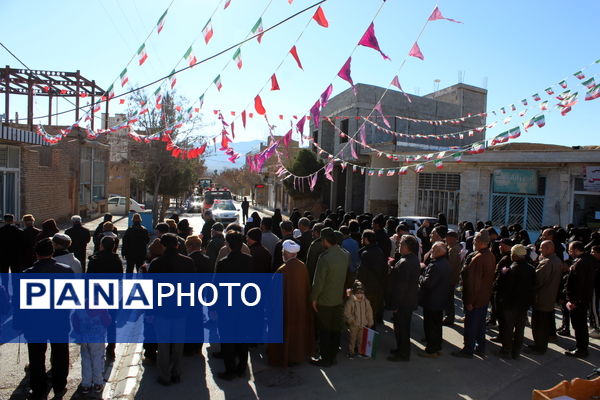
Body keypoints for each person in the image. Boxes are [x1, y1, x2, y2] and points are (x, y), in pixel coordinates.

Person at [20, 238, 73, 400]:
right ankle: (59, 383)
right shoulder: (66, 271)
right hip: (59, 319)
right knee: (60, 352)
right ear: (52, 252)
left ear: (36, 253)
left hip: (35, 321)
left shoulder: (27, 274)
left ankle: (38, 387)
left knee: (36, 356)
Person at [148, 233, 195, 385]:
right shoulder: (188, 262)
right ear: (177, 245)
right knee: (178, 344)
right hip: (181, 309)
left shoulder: (156, 263)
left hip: (162, 310)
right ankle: (176, 371)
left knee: (163, 344)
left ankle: (164, 374)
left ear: (162, 246)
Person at [267, 240, 314, 367]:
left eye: (283, 252)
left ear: (287, 253)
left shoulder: (282, 270)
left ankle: (285, 356)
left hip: (284, 310)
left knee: (285, 334)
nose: (282, 253)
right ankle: (297, 356)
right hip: (300, 308)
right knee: (297, 334)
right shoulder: (302, 266)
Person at [215, 231, 254, 380]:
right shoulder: (249, 260)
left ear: (228, 245)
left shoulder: (223, 263)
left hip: (227, 306)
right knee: (243, 338)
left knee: (227, 339)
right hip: (244, 305)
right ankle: (242, 368)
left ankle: (230, 370)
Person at [452, 231, 496, 358]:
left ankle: (468, 349)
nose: (473, 243)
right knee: (480, 325)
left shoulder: (479, 258)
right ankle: (480, 347)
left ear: (481, 242)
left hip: (475, 298)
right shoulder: (490, 255)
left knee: (471, 326)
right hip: (483, 297)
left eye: (475, 241)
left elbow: (473, 283)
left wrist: (469, 301)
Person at [310, 228, 350, 367]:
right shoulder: (345, 254)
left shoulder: (324, 257)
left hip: (325, 300)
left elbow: (318, 282)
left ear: (325, 241)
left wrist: (314, 298)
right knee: (335, 329)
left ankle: (325, 358)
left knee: (325, 330)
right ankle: (333, 355)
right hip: (338, 298)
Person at [496, 244, 535, 359]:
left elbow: (506, 287)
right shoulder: (530, 268)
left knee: (508, 327)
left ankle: (506, 350)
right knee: (520, 329)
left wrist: (503, 274)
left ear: (515, 255)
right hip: (523, 304)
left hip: (511, 303)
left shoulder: (513, 269)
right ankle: (516, 351)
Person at [387, 235, 421, 362]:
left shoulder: (406, 262)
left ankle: (403, 353)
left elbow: (401, 287)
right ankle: (400, 349)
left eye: (401, 244)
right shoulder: (411, 259)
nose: (398, 246)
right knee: (402, 328)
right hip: (408, 300)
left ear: (407, 247)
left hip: (403, 302)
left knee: (402, 329)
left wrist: (395, 305)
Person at [526, 240, 563, 354]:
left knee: (539, 324)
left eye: (542, 248)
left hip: (542, 297)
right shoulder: (557, 261)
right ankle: (541, 345)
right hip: (550, 297)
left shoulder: (547, 262)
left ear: (549, 249)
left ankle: (539, 347)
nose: (540, 250)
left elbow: (538, 280)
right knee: (544, 323)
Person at [564, 241, 597, 358]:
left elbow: (580, 284)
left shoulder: (581, 263)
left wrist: (574, 301)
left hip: (579, 301)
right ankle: (580, 346)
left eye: (570, 250)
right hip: (583, 299)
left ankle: (581, 349)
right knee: (581, 325)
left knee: (579, 325)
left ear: (576, 250)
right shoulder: (589, 259)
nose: (569, 252)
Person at [418, 241, 451, 358]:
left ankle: (431, 350)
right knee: (437, 326)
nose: (431, 251)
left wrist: (421, 274)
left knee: (430, 326)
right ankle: (437, 347)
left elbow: (427, 283)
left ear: (438, 252)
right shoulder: (445, 263)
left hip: (431, 300)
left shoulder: (435, 265)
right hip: (440, 300)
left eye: (432, 250)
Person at [72, 307, 111, 395]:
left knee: (86, 361)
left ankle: (86, 384)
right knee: (97, 359)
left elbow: (75, 321)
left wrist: (77, 334)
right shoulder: (101, 307)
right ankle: (98, 383)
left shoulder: (79, 308)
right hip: (97, 339)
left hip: (84, 338)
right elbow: (107, 321)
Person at [357, 230, 387, 326]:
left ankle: (364, 339)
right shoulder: (380, 251)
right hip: (378, 288)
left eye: (362, 238)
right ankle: (371, 339)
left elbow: (362, 274)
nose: (361, 240)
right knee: (372, 314)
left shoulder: (366, 253)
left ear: (366, 239)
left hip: (367, 289)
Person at [344, 280, 373, 358]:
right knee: (352, 339)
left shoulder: (366, 302)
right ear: (354, 293)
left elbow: (369, 312)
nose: (359, 295)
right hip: (354, 324)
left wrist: (370, 322)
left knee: (361, 339)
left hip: (363, 324)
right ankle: (351, 352)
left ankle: (360, 351)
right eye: (358, 293)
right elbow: (347, 313)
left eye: (361, 293)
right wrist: (351, 320)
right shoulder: (350, 302)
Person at [444, 230, 463, 325]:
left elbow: (450, 265)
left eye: (447, 238)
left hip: (450, 277)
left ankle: (449, 317)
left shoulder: (454, 249)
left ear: (452, 239)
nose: (445, 239)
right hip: (452, 277)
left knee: (449, 299)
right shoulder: (452, 247)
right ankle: (449, 316)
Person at [0, 213, 24, 287]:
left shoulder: (1, 231)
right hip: (15, 256)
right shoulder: (19, 231)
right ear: (13, 220)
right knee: (16, 276)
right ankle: (16, 294)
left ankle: (5, 292)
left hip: (3, 256)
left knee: (4, 276)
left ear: (4, 221)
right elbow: (22, 244)